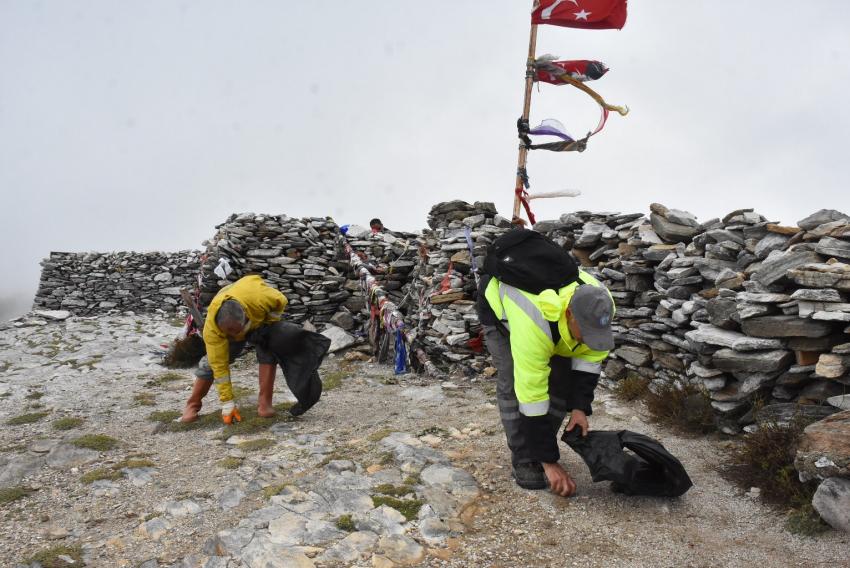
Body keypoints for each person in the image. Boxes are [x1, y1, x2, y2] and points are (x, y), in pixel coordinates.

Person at [477, 264, 615, 497]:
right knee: (513, 384)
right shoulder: (535, 324)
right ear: (570, 315)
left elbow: (590, 358)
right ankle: (525, 458)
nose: (592, 339)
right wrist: (550, 462)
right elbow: (532, 395)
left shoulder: (601, 303)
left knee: (560, 381)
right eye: (586, 332)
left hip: (553, 319)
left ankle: (540, 447)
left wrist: (579, 408)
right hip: (500, 309)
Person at [180, 274, 330, 424]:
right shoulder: (213, 332)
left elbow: (281, 300)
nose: (236, 336)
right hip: (234, 312)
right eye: (230, 333)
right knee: (211, 365)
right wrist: (227, 403)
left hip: (256, 317)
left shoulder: (260, 299)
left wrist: (269, 322)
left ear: (245, 316)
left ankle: (265, 404)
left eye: (237, 332)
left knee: (268, 348)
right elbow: (219, 367)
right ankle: (192, 404)